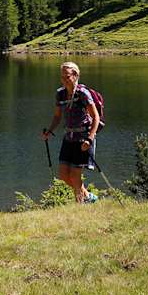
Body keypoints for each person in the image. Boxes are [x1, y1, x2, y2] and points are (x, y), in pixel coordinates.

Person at [41, 61, 100, 203]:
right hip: (68, 138)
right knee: (63, 176)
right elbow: (57, 116)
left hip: (83, 139)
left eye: (67, 76)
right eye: (62, 77)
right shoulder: (60, 94)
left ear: (75, 75)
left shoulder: (83, 94)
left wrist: (90, 138)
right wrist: (49, 131)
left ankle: (80, 206)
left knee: (74, 176)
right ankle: (89, 197)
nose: (64, 79)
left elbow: (95, 117)